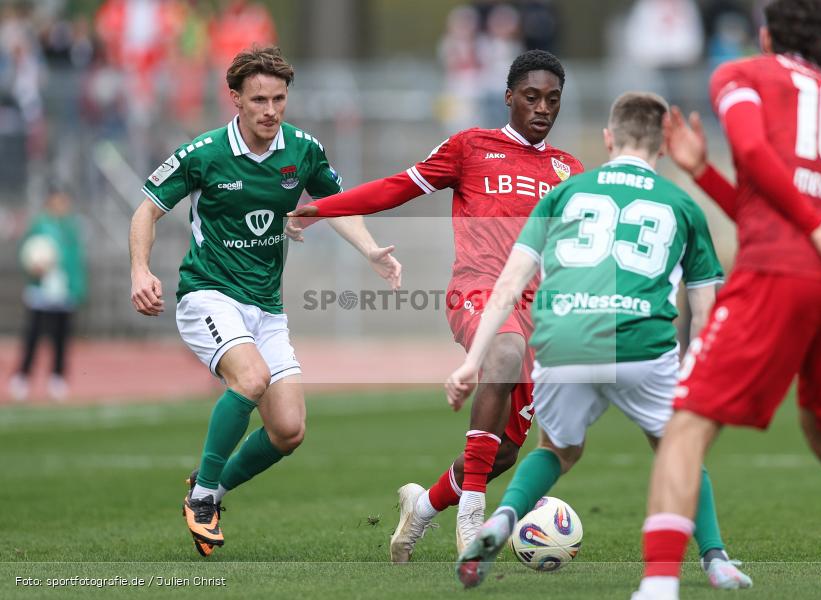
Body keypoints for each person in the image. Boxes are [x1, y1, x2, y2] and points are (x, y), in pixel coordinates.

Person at [632, 2, 821, 600]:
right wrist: (703, 173)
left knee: (687, 426)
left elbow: (754, 155)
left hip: (783, 273)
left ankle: (656, 588)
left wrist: (807, 225)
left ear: (763, 35)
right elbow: (769, 211)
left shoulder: (743, 74)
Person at [445, 92, 750, 590]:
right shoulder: (681, 204)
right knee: (679, 448)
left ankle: (501, 521)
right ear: (664, 148)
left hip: (562, 340)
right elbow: (703, 307)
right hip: (639, 343)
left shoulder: (564, 193)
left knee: (558, 450)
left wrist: (471, 362)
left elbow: (508, 282)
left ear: (609, 140)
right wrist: (701, 367)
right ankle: (715, 558)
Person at [290, 50, 584, 559]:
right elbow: (396, 188)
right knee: (504, 352)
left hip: (538, 313)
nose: (542, 108)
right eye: (531, 97)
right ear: (508, 97)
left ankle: (422, 507)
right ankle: (472, 514)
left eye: (552, 100)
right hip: (478, 289)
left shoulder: (569, 169)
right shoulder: (471, 147)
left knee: (507, 450)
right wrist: (320, 209)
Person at [129, 46, 401, 557]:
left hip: (265, 306)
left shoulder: (302, 149)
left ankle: (208, 488)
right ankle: (204, 497)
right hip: (208, 294)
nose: (271, 110)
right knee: (250, 379)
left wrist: (370, 251)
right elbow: (146, 210)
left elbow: (336, 204)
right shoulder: (204, 153)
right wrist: (140, 270)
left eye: (279, 98)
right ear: (235, 99)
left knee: (289, 430)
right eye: (259, 99)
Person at [9, 189, 86, 402]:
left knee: (61, 338)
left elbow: (76, 260)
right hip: (41, 291)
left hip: (64, 292)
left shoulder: (71, 227)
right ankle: (22, 377)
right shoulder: (39, 225)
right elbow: (25, 251)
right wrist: (33, 268)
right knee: (33, 336)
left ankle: (57, 378)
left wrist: (77, 288)